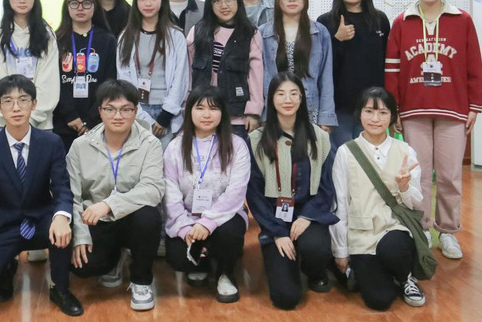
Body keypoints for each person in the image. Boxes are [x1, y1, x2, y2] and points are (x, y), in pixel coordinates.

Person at [385, 0, 482, 260]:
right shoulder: (402, 21)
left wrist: (475, 104)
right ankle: (423, 229)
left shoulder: (462, 19)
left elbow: (474, 63)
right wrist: (394, 108)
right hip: (413, 109)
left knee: (450, 175)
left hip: (453, 109)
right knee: (417, 175)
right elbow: (392, 68)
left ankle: (448, 231)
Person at [0, 75, 83, 316]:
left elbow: (62, 187)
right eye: (8, 101)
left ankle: (60, 288)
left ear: (34, 104)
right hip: (5, 224)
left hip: (41, 219)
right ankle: (7, 269)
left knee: (63, 228)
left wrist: (62, 216)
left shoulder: (51, 142)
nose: (16, 107)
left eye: (23, 100)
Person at [68, 80, 164, 311]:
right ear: (100, 111)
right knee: (84, 267)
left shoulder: (150, 143)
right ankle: (113, 260)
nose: (118, 116)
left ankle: (141, 280)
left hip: (133, 219)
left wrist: (109, 204)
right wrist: (80, 236)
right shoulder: (80, 146)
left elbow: (153, 189)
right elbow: (73, 195)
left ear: (135, 111)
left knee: (149, 216)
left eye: (126, 109)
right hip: (96, 221)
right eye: (110, 109)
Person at [247, 72, 338, 310]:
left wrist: (307, 217)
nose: (287, 100)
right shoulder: (256, 140)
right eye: (280, 94)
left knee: (316, 248)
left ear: (301, 98)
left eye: (293, 94)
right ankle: (283, 260)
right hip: (274, 218)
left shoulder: (319, 137)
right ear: (271, 99)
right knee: (285, 298)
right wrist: (278, 232)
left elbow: (327, 186)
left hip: (309, 214)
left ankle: (314, 269)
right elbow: (254, 193)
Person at [331, 87, 426, 310]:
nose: (375, 119)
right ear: (359, 114)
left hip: (395, 228)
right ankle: (380, 273)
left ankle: (405, 277)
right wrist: (341, 251)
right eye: (369, 111)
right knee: (379, 301)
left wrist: (404, 188)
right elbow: (339, 204)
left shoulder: (405, 151)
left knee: (393, 247)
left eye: (383, 113)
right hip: (361, 234)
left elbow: (415, 202)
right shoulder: (346, 152)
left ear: (392, 116)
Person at [163, 86, 250, 303]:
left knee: (228, 234)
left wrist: (207, 223)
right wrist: (185, 228)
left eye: (213, 108)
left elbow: (236, 192)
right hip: (187, 218)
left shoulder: (237, 145)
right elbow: (170, 193)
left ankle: (225, 272)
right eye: (200, 108)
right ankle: (201, 263)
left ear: (223, 112)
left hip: (224, 217)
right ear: (189, 111)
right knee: (177, 258)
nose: (207, 114)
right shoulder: (175, 147)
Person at [317, 0, 391, 148]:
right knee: (343, 156)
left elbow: (386, 63)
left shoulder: (380, 20)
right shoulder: (325, 21)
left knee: (369, 157)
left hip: (373, 106)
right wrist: (337, 40)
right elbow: (321, 67)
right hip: (339, 107)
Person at [117, 0, 189, 150]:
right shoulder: (126, 36)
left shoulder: (175, 36)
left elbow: (181, 77)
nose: (148, 3)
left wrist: (166, 115)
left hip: (168, 112)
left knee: (166, 162)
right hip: (136, 110)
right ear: (136, 2)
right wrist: (140, 115)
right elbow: (123, 77)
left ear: (162, 1)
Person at [187, 0, 264, 139]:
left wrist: (253, 111)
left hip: (237, 116)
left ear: (238, 0)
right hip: (203, 115)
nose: (224, 5)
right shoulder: (197, 31)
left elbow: (255, 75)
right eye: (217, 1)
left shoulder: (251, 33)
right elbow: (187, 72)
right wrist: (187, 106)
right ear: (210, 4)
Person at [260, 0, 336, 130]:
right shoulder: (263, 33)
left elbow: (326, 77)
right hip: (273, 111)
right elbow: (256, 78)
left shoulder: (319, 32)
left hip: (309, 109)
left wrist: (326, 117)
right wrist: (258, 114)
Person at [0, 0, 59, 134]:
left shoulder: (47, 34)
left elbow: (49, 79)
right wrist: (10, 113)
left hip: (40, 121)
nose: (22, 0)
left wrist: (32, 115)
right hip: (3, 121)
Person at [53, 0, 117, 151]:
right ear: (67, 7)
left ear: (95, 6)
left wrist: (91, 119)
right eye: (74, 3)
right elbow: (54, 82)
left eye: (86, 3)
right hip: (63, 123)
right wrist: (71, 115)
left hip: (98, 123)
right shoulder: (56, 40)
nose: (80, 8)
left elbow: (109, 82)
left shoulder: (107, 40)